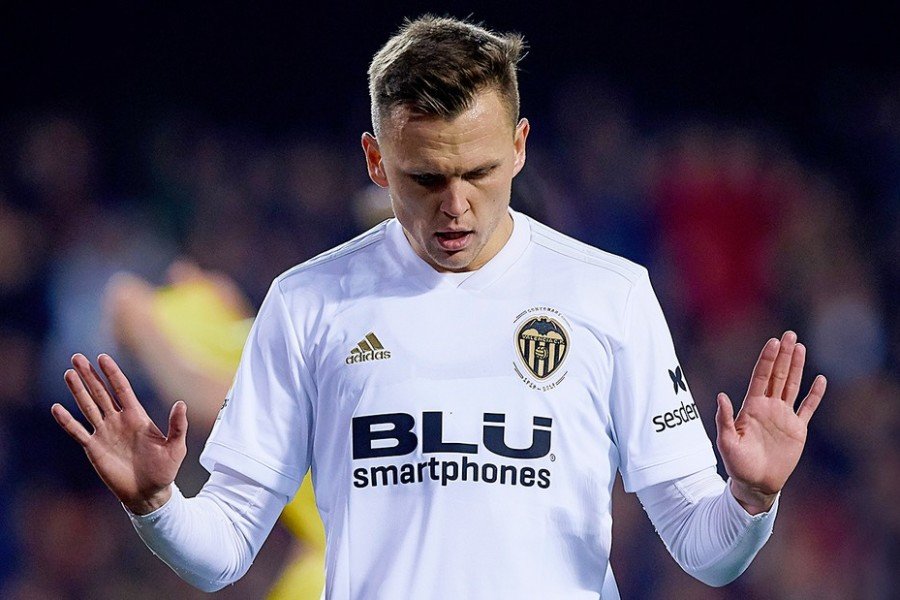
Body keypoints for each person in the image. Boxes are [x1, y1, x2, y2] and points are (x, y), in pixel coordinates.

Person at [51, 15, 827, 599]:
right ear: (376, 160)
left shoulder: (610, 295)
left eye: (480, 172)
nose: (455, 205)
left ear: (519, 146)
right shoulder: (308, 303)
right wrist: (157, 504)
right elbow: (221, 551)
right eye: (424, 178)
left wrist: (751, 498)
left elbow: (705, 550)